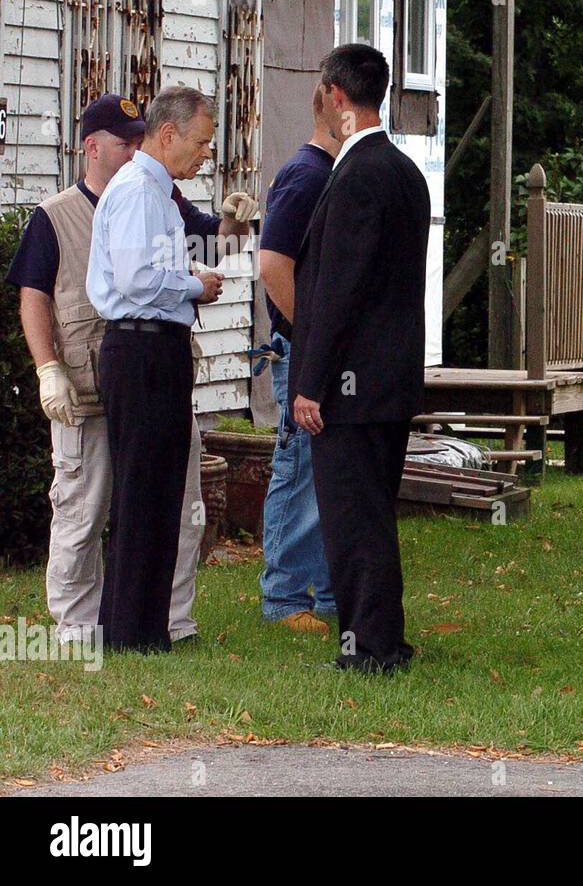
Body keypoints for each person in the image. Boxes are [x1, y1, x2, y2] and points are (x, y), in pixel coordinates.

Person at [5, 93, 254, 646]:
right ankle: (79, 629)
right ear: (92, 146)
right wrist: (47, 369)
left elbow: (214, 241)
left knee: (170, 498)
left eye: (139, 136)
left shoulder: (163, 194)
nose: (134, 146)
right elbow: (38, 296)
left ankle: (159, 622)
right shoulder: (63, 214)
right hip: (97, 373)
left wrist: (238, 221)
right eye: (125, 140)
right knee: (86, 505)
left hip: (144, 357)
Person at [290, 44, 431, 672]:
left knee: (354, 520)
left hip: (351, 383)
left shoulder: (355, 177)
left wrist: (312, 381)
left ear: (335, 96)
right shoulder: (406, 172)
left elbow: (337, 290)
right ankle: (381, 638)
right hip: (391, 374)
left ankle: (370, 649)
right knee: (373, 509)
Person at [86, 86, 239, 651]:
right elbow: (132, 281)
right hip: (139, 349)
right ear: (168, 134)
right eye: (200, 142)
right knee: (140, 490)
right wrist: (193, 284)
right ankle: (127, 631)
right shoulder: (137, 193)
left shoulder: (159, 193)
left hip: (158, 346)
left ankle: (146, 628)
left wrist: (190, 277)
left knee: (160, 491)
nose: (205, 154)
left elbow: (150, 271)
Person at [256, 85, 341, 634]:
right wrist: (309, 336)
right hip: (297, 351)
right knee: (299, 469)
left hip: (320, 353)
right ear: (334, 108)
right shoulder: (306, 175)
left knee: (325, 471)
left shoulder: (330, 173)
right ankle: (284, 596)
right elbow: (271, 263)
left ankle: (329, 595)